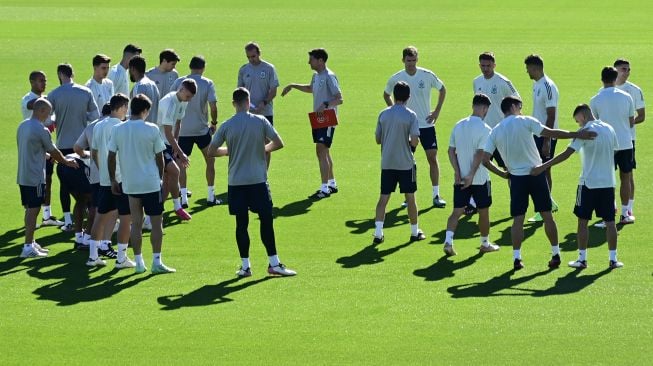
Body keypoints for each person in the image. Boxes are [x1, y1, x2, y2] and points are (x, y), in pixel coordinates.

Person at [482, 96, 596, 270]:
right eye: (520, 106)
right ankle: (556, 253)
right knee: (547, 216)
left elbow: (485, 160)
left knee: (518, 219)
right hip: (537, 174)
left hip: (516, 178)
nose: (521, 109)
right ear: (513, 106)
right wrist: (577, 134)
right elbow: (551, 133)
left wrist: (504, 174)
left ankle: (517, 258)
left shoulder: (496, 130)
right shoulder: (525, 120)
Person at [208, 87, 296, 276]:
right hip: (258, 180)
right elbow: (279, 143)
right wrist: (263, 149)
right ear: (248, 102)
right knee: (266, 221)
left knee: (241, 224)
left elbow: (212, 151)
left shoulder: (227, 125)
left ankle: (246, 266)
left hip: (236, 182)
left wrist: (229, 151)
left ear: (233, 104)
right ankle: (274, 263)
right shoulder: (260, 121)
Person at [531, 104, 623, 269]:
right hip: (608, 183)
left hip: (588, 184)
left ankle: (582, 259)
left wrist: (543, 166)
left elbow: (566, 154)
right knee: (610, 222)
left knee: (582, 221)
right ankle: (613, 259)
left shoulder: (584, 132)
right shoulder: (609, 129)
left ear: (583, 116)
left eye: (577, 121)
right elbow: (615, 151)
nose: (578, 125)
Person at [108, 94, 175, 274]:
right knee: (156, 223)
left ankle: (139, 263)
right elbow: (159, 156)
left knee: (135, 223)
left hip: (130, 184)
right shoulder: (152, 129)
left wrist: (114, 179)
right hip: (150, 183)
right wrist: (160, 178)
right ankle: (156, 262)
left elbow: (111, 156)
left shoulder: (118, 129)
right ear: (145, 110)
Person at [443, 93, 508, 256]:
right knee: (484, 212)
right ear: (485, 109)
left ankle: (448, 241)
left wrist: (458, 173)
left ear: (473, 106)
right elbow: (481, 153)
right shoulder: (486, 129)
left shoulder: (458, 125)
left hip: (460, 179)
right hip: (479, 179)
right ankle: (485, 243)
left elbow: (451, 151)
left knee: (456, 211)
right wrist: (471, 174)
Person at [383, 46, 447, 208]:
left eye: (413, 60)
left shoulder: (426, 75)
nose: (411, 63)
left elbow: (442, 89)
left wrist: (437, 111)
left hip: (426, 124)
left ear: (417, 59)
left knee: (432, 157)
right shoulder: (397, 78)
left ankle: (436, 194)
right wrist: (395, 111)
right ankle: (408, 196)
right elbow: (386, 93)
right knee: (407, 161)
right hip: (406, 126)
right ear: (403, 60)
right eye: (408, 60)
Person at [17, 98, 78, 258]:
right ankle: (27, 247)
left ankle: (30, 241)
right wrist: (66, 161)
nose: (49, 117)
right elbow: (54, 151)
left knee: (30, 208)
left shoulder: (22, 126)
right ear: (41, 111)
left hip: (23, 174)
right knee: (34, 210)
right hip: (35, 176)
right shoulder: (41, 129)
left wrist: (44, 155)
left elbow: (30, 147)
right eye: (49, 113)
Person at [281, 48, 343, 199]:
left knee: (321, 150)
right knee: (324, 152)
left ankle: (324, 188)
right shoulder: (316, 76)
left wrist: (326, 104)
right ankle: (332, 184)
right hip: (318, 118)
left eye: (311, 59)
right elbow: (310, 89)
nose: (309, 62)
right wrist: (293, 85)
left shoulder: (329, 76)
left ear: (320, 60)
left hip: (327, 119)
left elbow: (339, 98)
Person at [48, 63, 100, 231]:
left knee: (65, 184)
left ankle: (69, 220)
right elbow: (95, 115)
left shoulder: (54, 94)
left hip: (63, 146)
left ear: (59, 74)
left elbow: (48, 119)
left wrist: (59, 117)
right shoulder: (85, 91)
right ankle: (90, 216)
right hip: (82, 145)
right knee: (88, 181)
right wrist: (81, 114)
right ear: (72, 74)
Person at [373, 81, 425, 243]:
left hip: (387, 163)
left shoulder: (383, 114)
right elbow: (415, 140)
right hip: (406, 164)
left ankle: (378, 233)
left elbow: (377, 139)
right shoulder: (411, 115)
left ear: (394, 95)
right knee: (410, 198)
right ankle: (414, 232)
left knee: (383, 198)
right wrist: (410, 146)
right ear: (408, 97)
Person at [90, 94, 135, 268]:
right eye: (126, 108)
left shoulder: (98, 126)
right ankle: (121, 258)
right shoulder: (121, 127)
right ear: (122, 107)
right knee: (126, 218)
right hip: (120, 179)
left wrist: (103, 171)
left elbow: (94, 152)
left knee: (100, 218)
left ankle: (93, 257)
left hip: (104, 180)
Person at [171, 56, 220, 207]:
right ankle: (211, 196)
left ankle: (184, 198)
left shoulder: (179, 82)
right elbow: (213, 106)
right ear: (203, 67)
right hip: (201, 130)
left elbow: (171, 101)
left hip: (183, 131)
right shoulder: (207, 83)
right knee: (210, 160)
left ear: (190, 66)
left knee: (181, 164)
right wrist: (213, 122)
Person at [589, 66, 635, 226]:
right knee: (626, 178)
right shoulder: (627, 97)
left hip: (606, 145)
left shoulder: (595, 100)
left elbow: (594, 124)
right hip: (625, 142)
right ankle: (625, 214)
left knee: (607, 181)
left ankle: (607, 216)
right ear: (615, 79)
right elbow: (631, 121)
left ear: (602, 79)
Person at [20, 70, 63, 227]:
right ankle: (31, 218)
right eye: (40, 80)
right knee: (35, 183)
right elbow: (32, 105)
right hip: (36, 149)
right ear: (31, 82)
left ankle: (46, 215)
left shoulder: (45, 101)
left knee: (47, 180)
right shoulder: (29, 99)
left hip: (46, 144)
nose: (44, 83)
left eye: (45, 80)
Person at [524, 54, 560, 223]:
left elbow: (551, 115)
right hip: (538, 134)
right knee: (543, 169)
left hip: (546, 136)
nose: (527, 72)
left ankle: (544, 207)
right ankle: (548, 203)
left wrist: (547, 140)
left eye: (528, 68)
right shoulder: (537, 84)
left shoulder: (547, 86)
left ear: (535, 68)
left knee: (543, 169)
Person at [72, 103, 112, 251]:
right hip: (112, 174)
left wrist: (85, 156)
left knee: (95, 207)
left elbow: (77, 148)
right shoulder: (117, 125)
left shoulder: (92, 126)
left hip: (95, 174)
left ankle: (89, 239)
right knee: (107, 209)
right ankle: (100, 243)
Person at [157, 79, 196, 220]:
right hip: (159, 143)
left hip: (168, 143)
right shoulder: (168, 103)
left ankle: (156, 212)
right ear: (182, 89)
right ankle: (177, 207)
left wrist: (176, 144)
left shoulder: (183, 101)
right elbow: (167, 132)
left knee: (168, 179)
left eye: (191, 97)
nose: (189, 100)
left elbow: (178, 122)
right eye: (188, 96)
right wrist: (181, 153)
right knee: (175, 171)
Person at [238, 42, 280, 167]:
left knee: (266, 144)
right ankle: (251, 172)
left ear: (259, 53)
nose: (251, 59)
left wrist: (264, 103)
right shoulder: (244, 69)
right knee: (248, 143)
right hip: (247, 113)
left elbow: (273, 90)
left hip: (265, 112)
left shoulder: (269, 68)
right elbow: (240, 90)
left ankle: (264, 176)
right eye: (249, 57)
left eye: (253, 56)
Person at [614, 58, 645, 219]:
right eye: (623, 69)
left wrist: (626, 123)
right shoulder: (606, 90)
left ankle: (628, 209)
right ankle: (611, 209)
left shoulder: (634, 90)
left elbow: (642, 116)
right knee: (610, 175)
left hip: (627, 139)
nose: (627, 72)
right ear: (615, 70)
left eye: (628, 69)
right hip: (611, 140)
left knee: (627, 175)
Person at [57, 152, 94, 250]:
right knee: (95, 203)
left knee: (81, 200)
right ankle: (87, 239)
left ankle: (78, 238)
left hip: (63, 165)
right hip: (77, 165)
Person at [129, 55, 160, 124]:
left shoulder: (140, 86)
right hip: (152, 128)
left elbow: (137, 113)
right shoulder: (153, 84)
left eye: (129, 69)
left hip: (140, 129)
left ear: (133, 69)